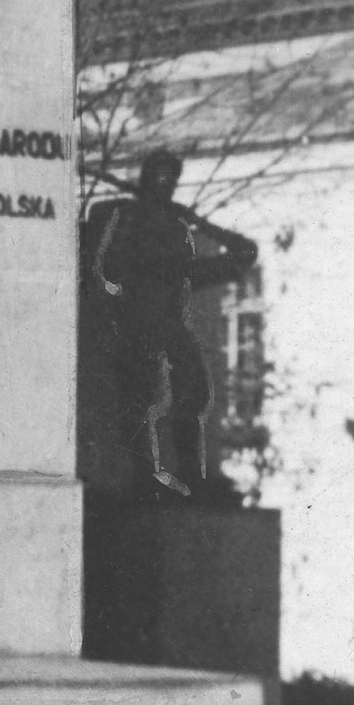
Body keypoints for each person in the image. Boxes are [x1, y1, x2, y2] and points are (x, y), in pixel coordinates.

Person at [89, 149, 213, 497]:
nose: (167, 186)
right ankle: (143, 476)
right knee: (139, 399)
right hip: (138, 319)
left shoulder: (176, 224)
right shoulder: (125, 218)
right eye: (160, 178)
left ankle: (191, 475)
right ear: (147, 180)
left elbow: (187, 272)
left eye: (171, 180)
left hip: (172, 319)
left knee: (194, 391)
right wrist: (123, 307)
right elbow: (104, 272)